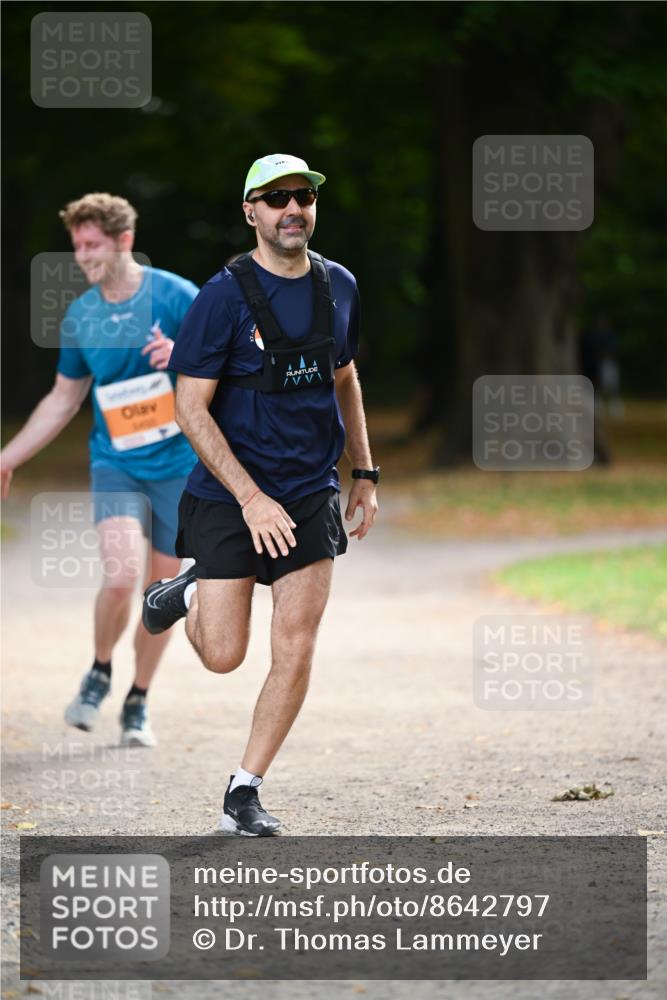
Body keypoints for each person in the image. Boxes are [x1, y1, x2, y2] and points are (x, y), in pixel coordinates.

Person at [142, 153, 378, 835]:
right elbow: (189, 408)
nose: (291, 209)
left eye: (301, 196)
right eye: (274, 199)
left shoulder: (339, 286)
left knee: (296, 645)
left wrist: (362, 472)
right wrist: (249, 498)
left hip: (307, 492)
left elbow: (346, 378)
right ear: (251, 212)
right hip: (226, 496)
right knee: (223, 655)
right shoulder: (222, 297)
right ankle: (186, 591)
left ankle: (243, 791)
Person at [0, 193, 198, 746]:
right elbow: (64, 399)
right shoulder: (82, 314)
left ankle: (138, 700)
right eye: (77, 246)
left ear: (124, 241)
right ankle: (100, 669)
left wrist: (182, 357)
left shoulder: (178, 295)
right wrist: (8, 456)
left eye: (93, 245)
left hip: (180, 466)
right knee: (119, 575)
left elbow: (235, 362)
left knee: (162, 593)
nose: (83, 256)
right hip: (115, 462)